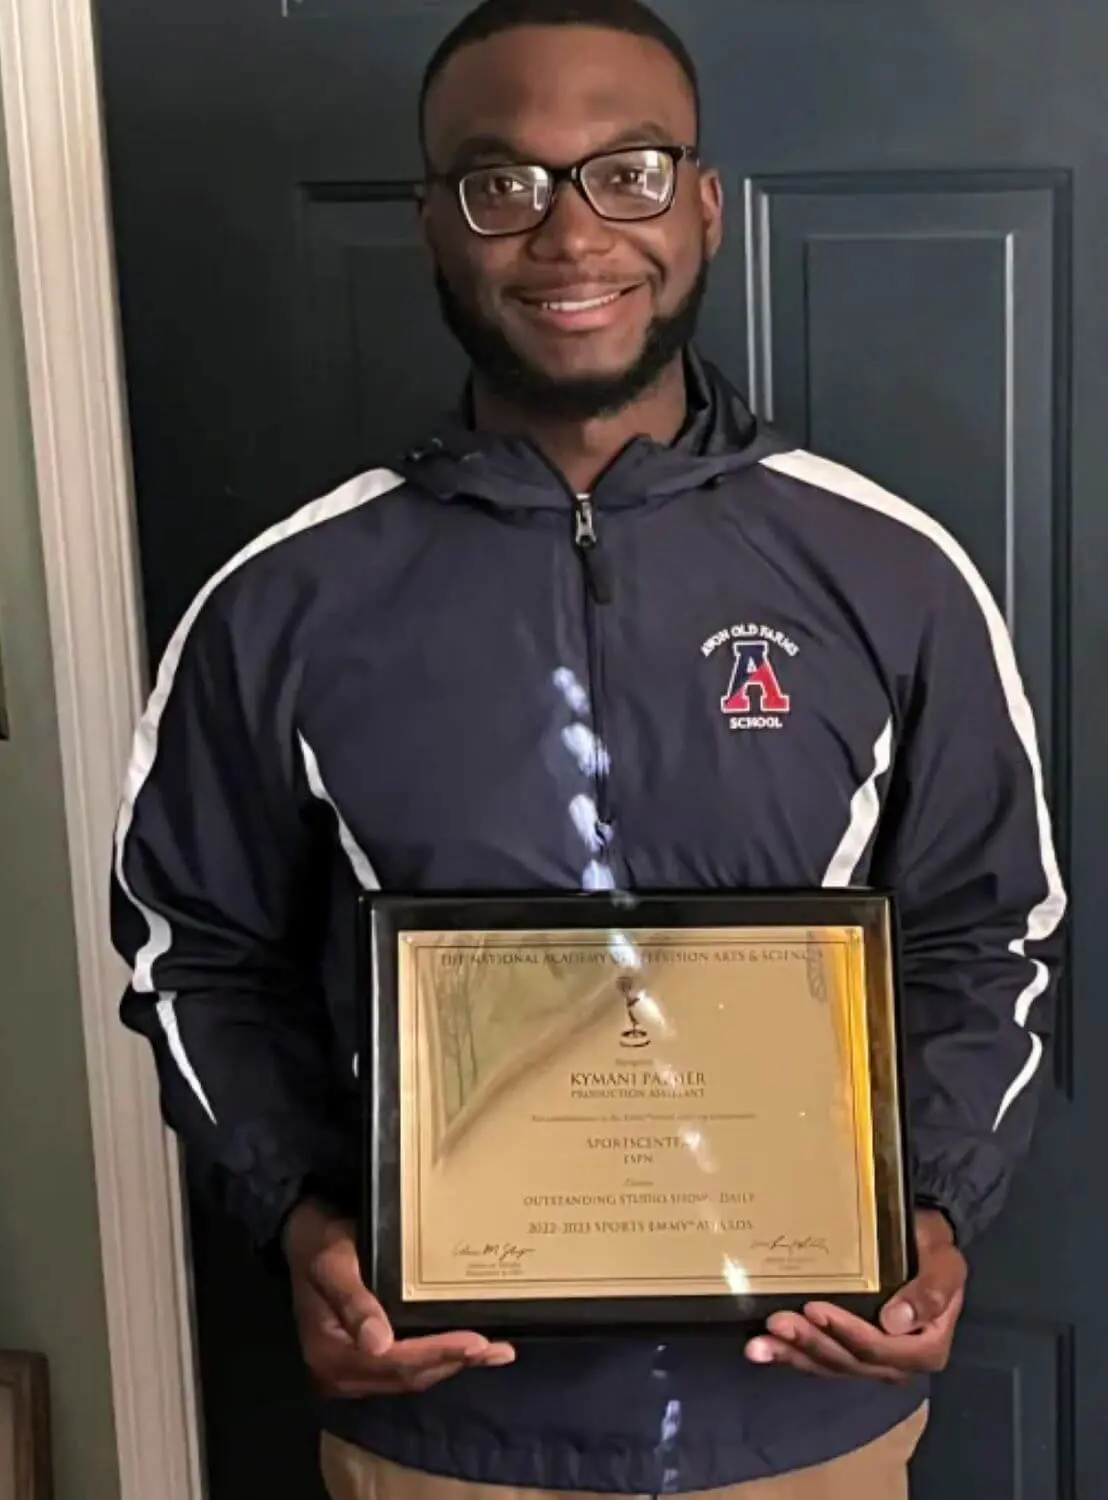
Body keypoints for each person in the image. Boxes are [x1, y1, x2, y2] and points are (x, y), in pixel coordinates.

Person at [110, 0, 1067, 1495]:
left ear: (703, 205)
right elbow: (196, 955)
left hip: (806, 1414)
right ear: (437, 224)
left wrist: (930, 1207)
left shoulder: (893, 573)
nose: (568, 235)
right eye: (504, 184)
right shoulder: (284, 601)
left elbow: (986, 931)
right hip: (446, 1430)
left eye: (625, 171)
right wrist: (306, 1223)